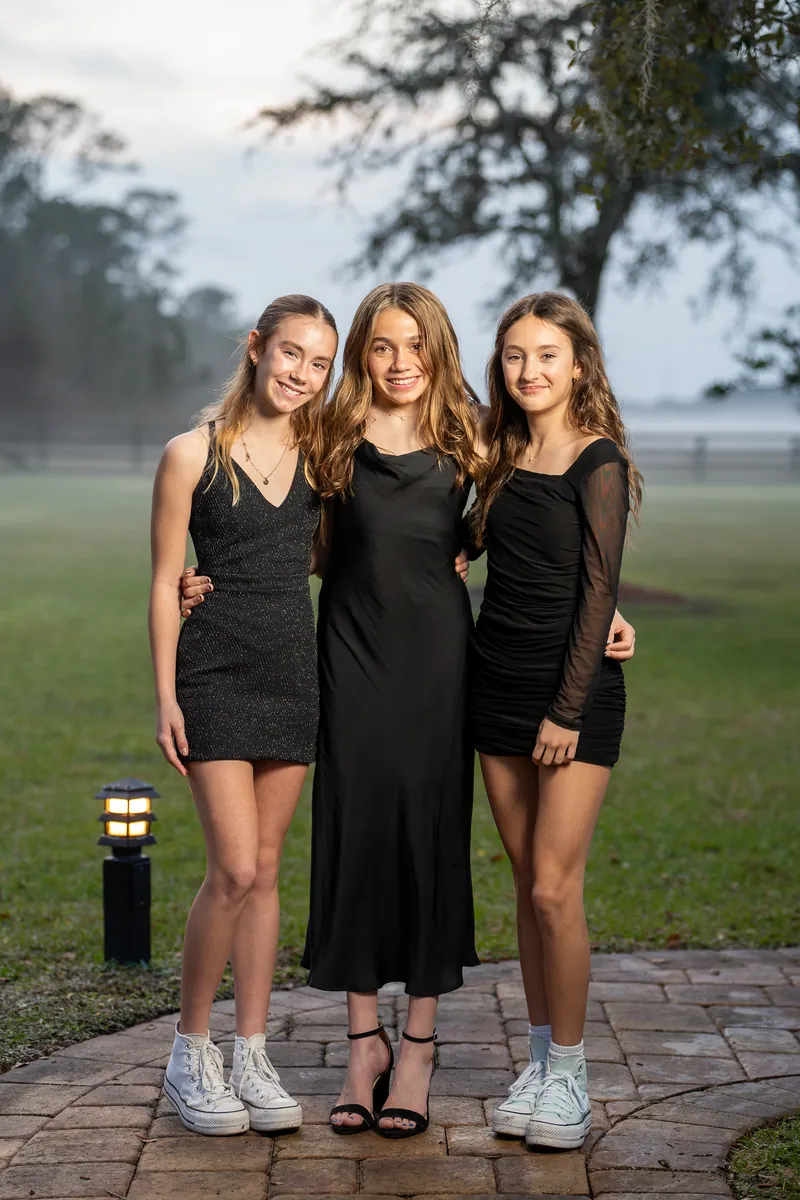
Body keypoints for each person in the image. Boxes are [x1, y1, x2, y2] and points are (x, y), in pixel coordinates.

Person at [179, 282, 637, 1141]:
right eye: (382, 346)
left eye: (415, 346)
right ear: (362, 352)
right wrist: (199, 580)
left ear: (440, 352)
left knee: (431, 836)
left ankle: (418, 1047)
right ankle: (364, 1045)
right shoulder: (328, 437)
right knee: (353, 833)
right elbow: (287, 539)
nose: (399, 362)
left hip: (444, 667)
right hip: (347, 661)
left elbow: (525, 531)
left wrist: (604, 608)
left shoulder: (476, 438)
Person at [148, 293, 338, 1135]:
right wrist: (165, 697)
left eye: (321, 362)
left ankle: (253, 1051)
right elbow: (163, 582)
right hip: (215, 672)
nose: (303, 373)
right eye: (292, 353)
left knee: (264, 871)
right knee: (230, 866)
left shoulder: (328, 456)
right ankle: (191, 1053)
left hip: (294, 674)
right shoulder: (190, 454)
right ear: (258, 348)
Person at [469, 292, 642, 1150]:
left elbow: (599, 592)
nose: (529, 371)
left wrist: (568, 710)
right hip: (492, 687)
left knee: (551, 886)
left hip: (570, 699)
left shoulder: (597, 460)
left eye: (546, 355)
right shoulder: (498, 455)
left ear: (579, 364)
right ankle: (538, 1062)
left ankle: (571, 1076)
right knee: (523, 884)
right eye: (513, 356)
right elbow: (453, 545)